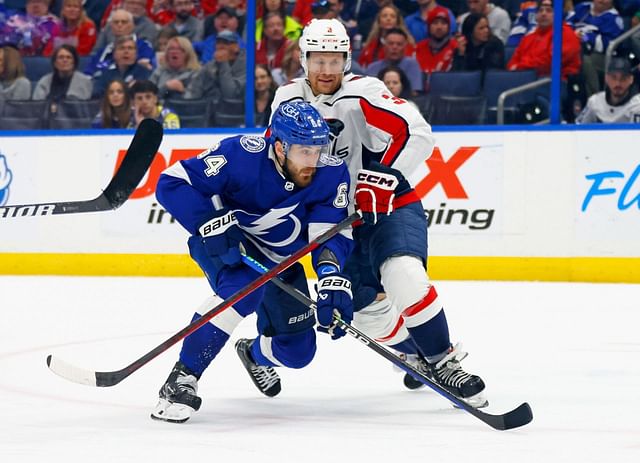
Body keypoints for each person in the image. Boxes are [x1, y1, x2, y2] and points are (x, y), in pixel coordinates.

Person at [269, 19, 487, 406]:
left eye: (334, 60)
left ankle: (444, 361)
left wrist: (383, 175)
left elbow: (417, 133)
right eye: (318, 60)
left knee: (403, 272)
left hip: (387, 205)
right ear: (303, 59)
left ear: (346, 60)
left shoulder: (364, 91)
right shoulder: (286, 98)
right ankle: (415, 355)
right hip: (332, 219)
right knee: (368, 311)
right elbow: (277, 159)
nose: (326, 70)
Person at [150, 101, 354, 422]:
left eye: (317, 150)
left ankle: (254, 353)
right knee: (244, 288)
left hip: (282, 262)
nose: (312, 161)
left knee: (299, 353)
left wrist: (329, 274)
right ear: (279, 146)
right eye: (304, 151)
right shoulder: (240, 155)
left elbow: (326, 233)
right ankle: (182, 378)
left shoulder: (330, 173)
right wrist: (207, 223)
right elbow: (172, 182)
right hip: (230, 245)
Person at [507, 0, 581, 80]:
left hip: (556, 82)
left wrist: (520, 67)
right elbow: (513, 61)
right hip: (526, 80)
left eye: (549, 11)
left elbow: (550, 64)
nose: (543, 14)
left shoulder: (566, 34)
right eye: (540, 10)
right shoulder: (528, 38)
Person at [185, 29, 246, 101]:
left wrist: (224, 63)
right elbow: (195, 88)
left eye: (226, 43)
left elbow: (230, 95)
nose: (220, 46)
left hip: (237, 109)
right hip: (209, 107)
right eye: (218, 43)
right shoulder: (211, 65)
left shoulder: (246, 64)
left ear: (236, 47)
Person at [576, 56, 640, 123]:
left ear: (631, 79)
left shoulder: (637, 105)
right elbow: (579, 129)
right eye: (613, 78)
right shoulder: (594, 102)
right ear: (606, 78)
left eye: (623, 79)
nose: (618, 83)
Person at [365, 28, 423, 95]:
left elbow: (414, 94)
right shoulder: (373, 67)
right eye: (391, 43)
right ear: (384, 46)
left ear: (405, 47)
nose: (394, 47)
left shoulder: (412, 65)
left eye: (399, 44)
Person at [149, 35, 199, 100]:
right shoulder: (160, 71)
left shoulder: (196, 74)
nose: (174, 52)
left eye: (180, 49)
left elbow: (195, 100)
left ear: (187, 54)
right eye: (171, 49)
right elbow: (148, 97)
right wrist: (166, 88)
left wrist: (182, 91)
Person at [415, 5, 461, 75]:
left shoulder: (456, 47)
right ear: (428, 27)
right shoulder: (418, 48)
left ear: (449, 27)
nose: (439, 27)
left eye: (443, 23)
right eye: (435, 23)